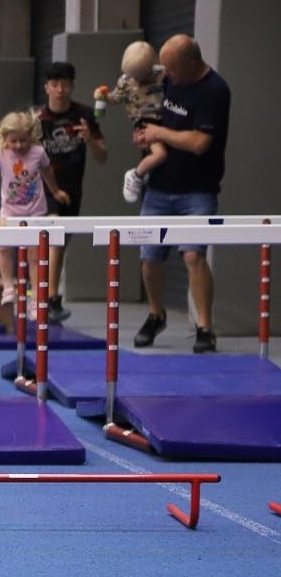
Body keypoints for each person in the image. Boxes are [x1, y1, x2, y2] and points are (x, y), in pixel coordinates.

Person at [129, 34, 231, 354]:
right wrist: (146, 135)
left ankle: (205, 327)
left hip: (197, 190)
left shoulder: (214, 90)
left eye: (171, 69)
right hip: (158, 188)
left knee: (193, 255)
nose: (166, 75)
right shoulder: (166, 79)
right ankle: (156, 314)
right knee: (149, 258)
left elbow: (200, 143)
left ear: (191, 64)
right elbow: (149, 109)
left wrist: (160, 133)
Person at [0, 110, 69, 306]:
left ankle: (36, 297)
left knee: (34, 255)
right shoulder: (1, 154)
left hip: (35, 211)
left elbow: (47, 171)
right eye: (14, 141)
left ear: (31, 137)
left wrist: (55, 191)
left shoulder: (38, 152)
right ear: (5, 138)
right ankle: (8, 287)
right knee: (3, 248)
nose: (18, 145)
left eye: (23, 141)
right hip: (10, 212)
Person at [37, 62, 106, 323]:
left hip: (73, 188)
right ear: (47, 87)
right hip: (44, 188)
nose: (60, 89)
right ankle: (51, 299)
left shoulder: (85, 115)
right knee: (53, 238)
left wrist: (90, 140)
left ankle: (45, 295)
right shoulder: (37, 118)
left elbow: (102, 156)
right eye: (55, 84)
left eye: (65, 84)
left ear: (72, 85)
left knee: (60, 245)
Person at [93, 42, 168, 205]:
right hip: (144, 121)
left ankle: (148, 172)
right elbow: (115, 99)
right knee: (160, 154)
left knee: (163, 156)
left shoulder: (162, 74)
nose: (138, 80)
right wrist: (103, 97)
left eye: (141, 75)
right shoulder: (126, 80)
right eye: (133, 75)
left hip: (165, 119)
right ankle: (136, 175)